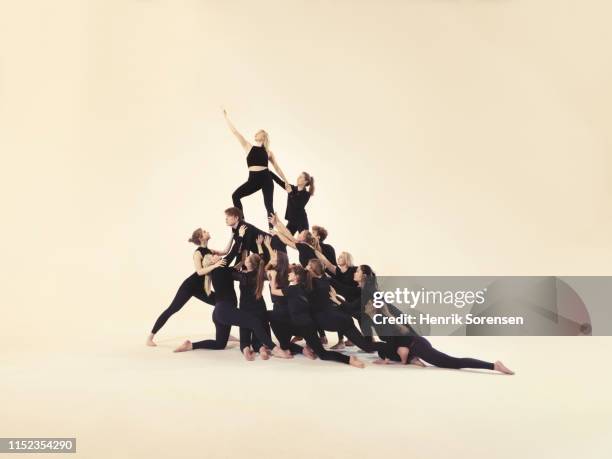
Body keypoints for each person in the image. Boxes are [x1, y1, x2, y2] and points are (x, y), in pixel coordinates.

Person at [174, 227, 290, 360]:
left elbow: (240, 267)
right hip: (225, 310)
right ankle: (275, 349)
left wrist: (248, 255)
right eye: (213, 256)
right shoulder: (221, 267)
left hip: (219, 313)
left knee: (220, 344)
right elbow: (233, 253)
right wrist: (239, 236)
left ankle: (191, 345)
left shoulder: (223, 271)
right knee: (253, 321)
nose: (217, 255)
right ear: (213, 262)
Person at [270, 264, 365, 368]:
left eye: (291, 272)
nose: (289, 274)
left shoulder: (293, 289)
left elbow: (273, 291)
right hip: (307, 326)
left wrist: (273, 277)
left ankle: (349, 359)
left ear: (297, 276)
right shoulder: (305, 287)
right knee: (321, 353)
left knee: (321, 354)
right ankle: (305, 349)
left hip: (303, 327)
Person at [147, 228, 225, 346]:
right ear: (200, 238)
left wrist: (235, 234)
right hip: (189, 286)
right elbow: (199, 272)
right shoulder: (198, 253)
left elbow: (225, 251)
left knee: (220, 303)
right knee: (173, 309)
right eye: (204, 232)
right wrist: (215, 266)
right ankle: (150, 337)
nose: (207, 231)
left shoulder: (209, 251)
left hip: (202, 288)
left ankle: (224, 333)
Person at [223, 109, 291, 229]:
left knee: (268, 206)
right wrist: (226, 117)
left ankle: (272, 231)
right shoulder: (248, 146)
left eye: (259, 133)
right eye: (257, 133)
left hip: (266, 179)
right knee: (235, 195)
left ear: (264, 136)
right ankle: (241, 223)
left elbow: (278, 168)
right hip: (253, 180)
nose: (256, 134)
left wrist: (286, 181)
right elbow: (235, 132)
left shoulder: (268, 152)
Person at [374, 335, 515, 374]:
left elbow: (402, 351)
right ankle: (413, 359)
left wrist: (404, 361)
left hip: (418, 346)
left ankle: (494, 366)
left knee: (454, 363)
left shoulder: (384, 324)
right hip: (417, 343)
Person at [232, 253, 272, 361]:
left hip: (245, 309)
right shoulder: (260, 274)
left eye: (247, 259)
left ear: (249, 264)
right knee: (257, 336)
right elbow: (262, 261)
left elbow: (231, 272)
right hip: (259, 308)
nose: (245, 260)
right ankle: (262, 350)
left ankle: (245, 350)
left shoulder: (242, 276)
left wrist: (239, 263)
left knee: (244, 334)